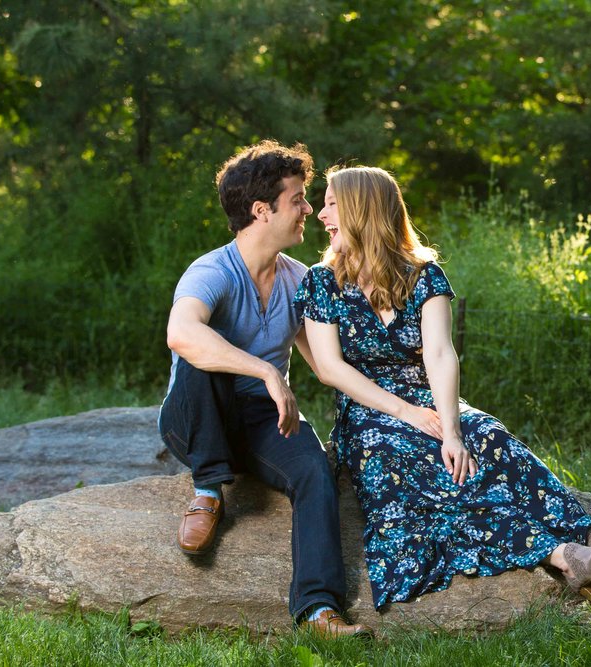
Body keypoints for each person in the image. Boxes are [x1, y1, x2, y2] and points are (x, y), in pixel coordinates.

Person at [293, 165, 591, 609]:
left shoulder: (423, 275)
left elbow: (439, 355)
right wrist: (409, 415)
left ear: (364, 210)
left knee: (490, 437)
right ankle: (565, 557)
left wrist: (452, 429)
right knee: (411, 466)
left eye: (332, 204)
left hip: (430, 399)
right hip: (370, 412)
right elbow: (331, 368)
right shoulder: (322, 282)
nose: (321, 214)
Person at [157, 140, 371, 638]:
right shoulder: (211, 270)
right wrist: (268, 371)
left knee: (315, 469)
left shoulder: (300, 280)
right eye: (298, 199)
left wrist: (406, 408)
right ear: (261, 210)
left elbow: (327, 366)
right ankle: (209, 490)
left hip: (259, 421)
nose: (309, 210)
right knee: (203, 354)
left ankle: (319, 610)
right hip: (196, 416)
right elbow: (181, 334)